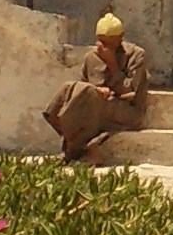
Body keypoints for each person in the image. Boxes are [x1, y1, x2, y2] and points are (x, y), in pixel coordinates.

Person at [44, 12, 151, 162]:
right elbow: (83, 86)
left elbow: (130, 90)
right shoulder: (91, 57)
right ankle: (72, 139)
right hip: (94, 105)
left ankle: (73, 150)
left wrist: (112, 63)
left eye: (109, 43)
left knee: (89, 96)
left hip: (127, 110)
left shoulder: (136, 55)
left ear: (120, 38)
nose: (104, 47)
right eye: (102, 42)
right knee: (70, 88)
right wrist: (98, 90)